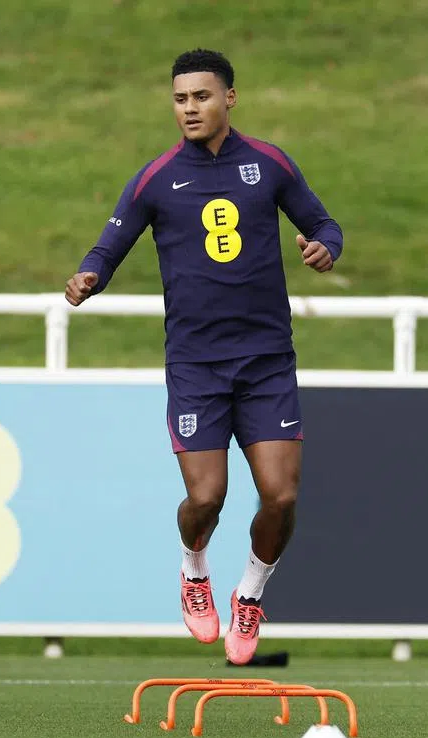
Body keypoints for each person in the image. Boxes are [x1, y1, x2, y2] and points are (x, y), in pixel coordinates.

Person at [64, 50, 343, 664]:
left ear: (229, 99)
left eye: (201, 96)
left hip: (266, 360)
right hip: (197, 366)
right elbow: (108, 246)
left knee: (281, 496)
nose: (189, 108)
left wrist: (325, 248)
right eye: (180, 99)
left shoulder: (268, 164)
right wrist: (88, 276)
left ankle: (250, 594)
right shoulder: (157, 178)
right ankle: (194, 570)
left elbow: (325, 225)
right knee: (207, 498)